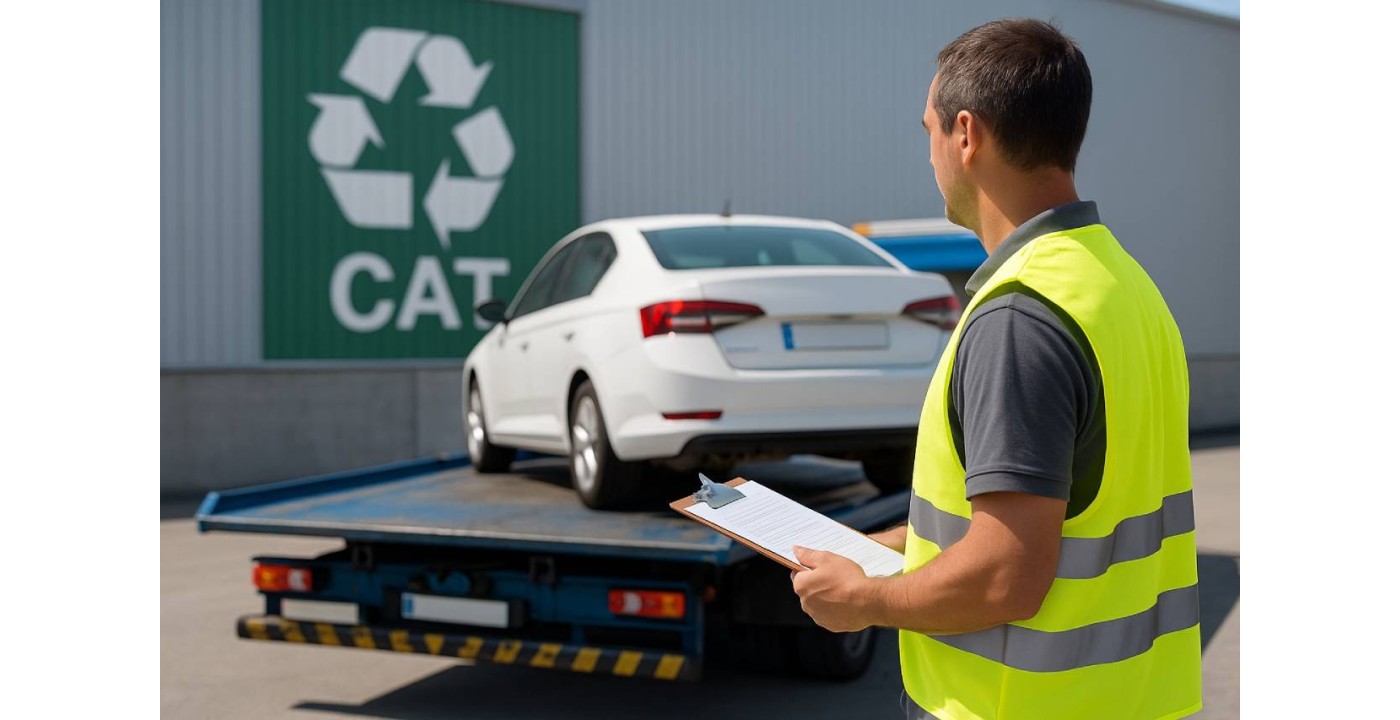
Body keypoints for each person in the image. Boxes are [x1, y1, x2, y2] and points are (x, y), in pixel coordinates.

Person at [790, 18, 1202, 720]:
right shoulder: (1123, 284)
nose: (928, 156)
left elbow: (1007, 574)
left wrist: (864, 601)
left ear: (966, 135)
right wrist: (887, 546)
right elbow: (1076, 514)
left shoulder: (1019, 318)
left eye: (927, 130)